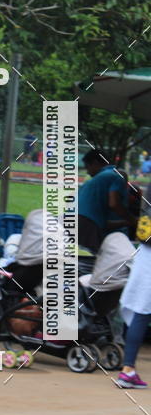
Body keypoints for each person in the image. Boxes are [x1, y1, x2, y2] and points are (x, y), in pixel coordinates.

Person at [115, 180, 151, 389]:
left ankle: (128, 369)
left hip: (145, 254)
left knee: (141, 311)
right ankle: (128, 370)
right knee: (142, 311)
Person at [77, 150, 136, 253]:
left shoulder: (89, 183)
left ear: (95, 163)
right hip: (89, 225)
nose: (88, 172)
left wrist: (126, 221)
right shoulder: (115, 177)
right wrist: (133, 220)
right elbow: (114, 204)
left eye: (87, 168)